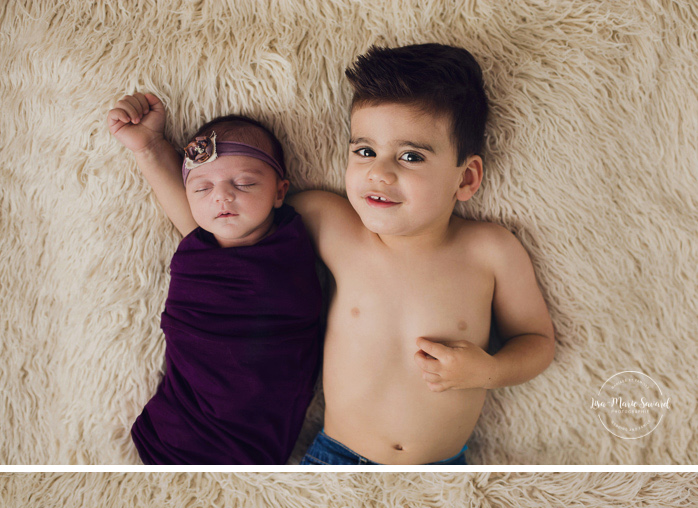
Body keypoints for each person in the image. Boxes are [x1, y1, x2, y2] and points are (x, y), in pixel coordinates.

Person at [123, 44, 556, 465]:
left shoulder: (490, 250)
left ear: (467, 177)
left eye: (411, 156)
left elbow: (537, 343)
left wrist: (487, 372)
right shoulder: (329, 222)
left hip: (444, 466)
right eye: (365, 151)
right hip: (336, 458)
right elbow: (215, 228)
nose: (379, 173)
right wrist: (149, 149)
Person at [107, 95, 323, 463]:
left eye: (244, 183)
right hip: (176, 428)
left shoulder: (297, 240)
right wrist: (148, 145)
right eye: (202, 189)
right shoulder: (198, 247)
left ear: (280, 192)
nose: (222, 195)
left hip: (253, 432)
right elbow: (172, 191)